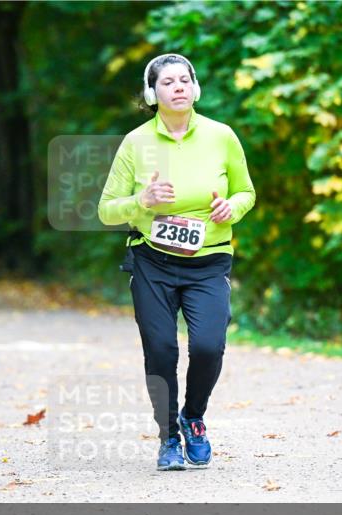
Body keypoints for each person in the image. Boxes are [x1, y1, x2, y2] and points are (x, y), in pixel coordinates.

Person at [97, 53, 256, 471]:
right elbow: (106, 210)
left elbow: (246, 192)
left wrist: (231, 209)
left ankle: (194, 417)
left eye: (185, 80)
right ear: (153, 94)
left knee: (208, 347)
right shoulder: (135, 143)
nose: (179, 87)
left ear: (196, 87)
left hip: (209, 259)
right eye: (168, 82)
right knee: (161, 349)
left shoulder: (221, 136)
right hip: (152, 260)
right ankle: (168, 435)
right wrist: (141, 201)